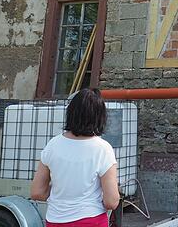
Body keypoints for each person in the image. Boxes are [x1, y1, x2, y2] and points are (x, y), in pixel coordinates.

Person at [30, 88, 120, 227]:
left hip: (56, 220)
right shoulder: (103, 149)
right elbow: (111, 201)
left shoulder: (53, 145)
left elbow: (37, 193)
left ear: (71, 112)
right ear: (100, 116)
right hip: (91, 220)